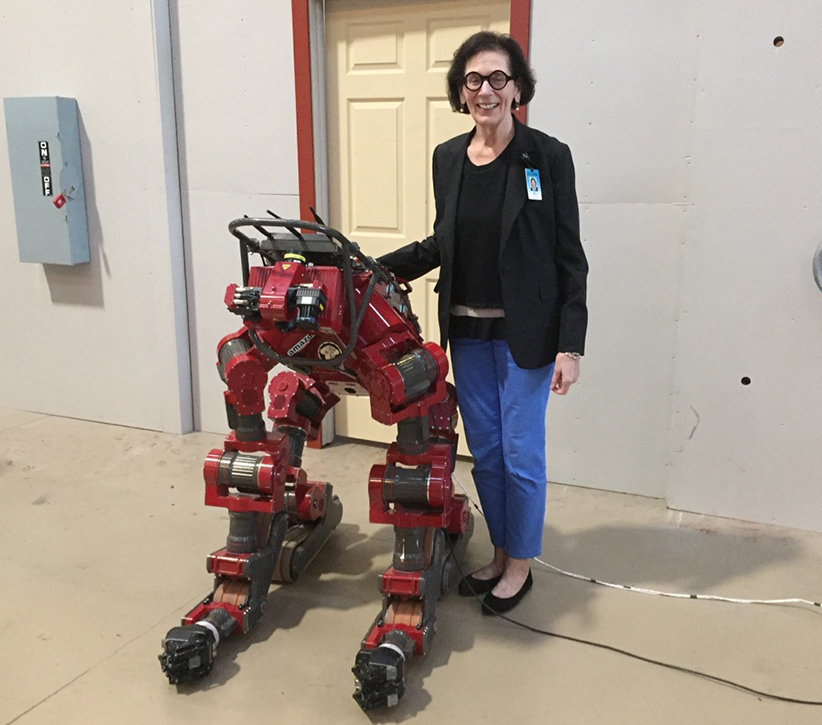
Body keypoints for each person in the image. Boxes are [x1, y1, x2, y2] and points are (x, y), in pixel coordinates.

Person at [379, 31, 588, 615]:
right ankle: (499, 553)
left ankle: (519, 566)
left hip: (527, 335)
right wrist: (372, 266)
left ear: (517, 87)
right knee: (488, 453)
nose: (486, 90)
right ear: (461, 91)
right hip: (468, 334)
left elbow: (570, 255)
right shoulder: (448, 158)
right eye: (474, 79)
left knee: (522, 453)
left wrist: (571, 345)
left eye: (498, 78)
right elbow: (444, 242)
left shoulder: (547, 156)